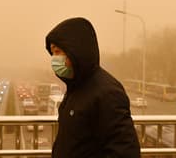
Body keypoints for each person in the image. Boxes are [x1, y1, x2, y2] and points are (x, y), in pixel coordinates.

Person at [45, 17, 140, 158]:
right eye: (52, 53)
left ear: (75, 51)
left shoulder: (107, 92)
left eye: (58, 52)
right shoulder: (76, 88)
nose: (54, 59)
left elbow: (124, 151)